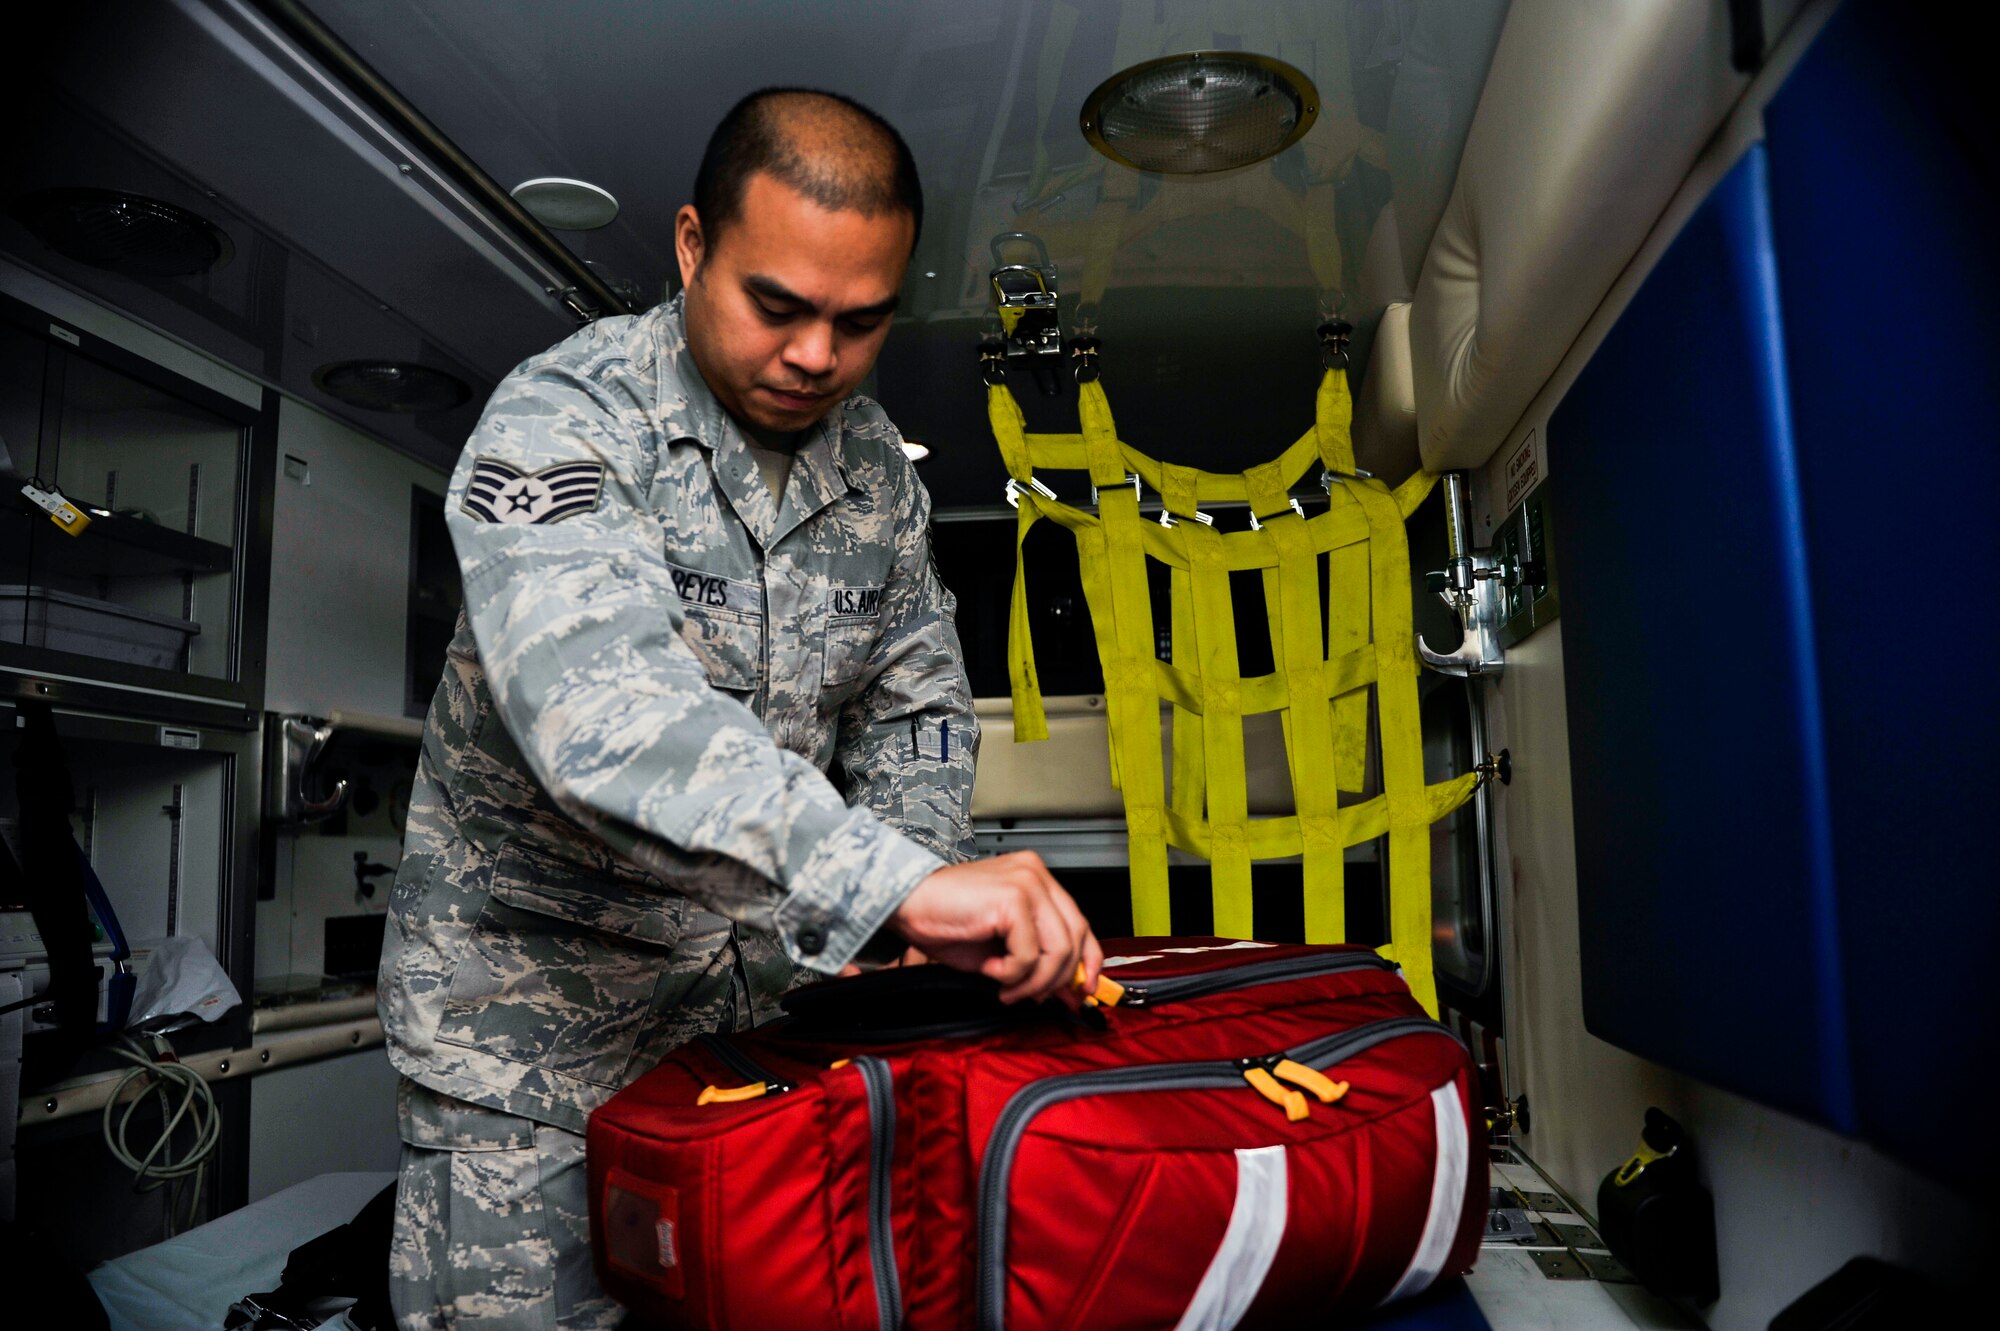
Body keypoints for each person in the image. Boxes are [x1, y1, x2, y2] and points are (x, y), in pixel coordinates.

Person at [377, 88, 1103, 1329]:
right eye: (777, 305)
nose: (816, 355)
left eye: (860, 322)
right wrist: (891, 885)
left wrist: (921, 889)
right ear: (690, 246)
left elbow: (916, 704)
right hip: (534, 1071)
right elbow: (601, 715)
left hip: (761, 1049)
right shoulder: (566, 416)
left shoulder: (876, 470)